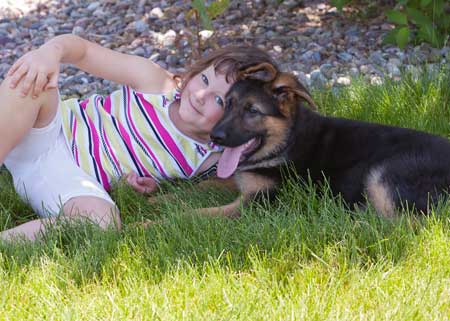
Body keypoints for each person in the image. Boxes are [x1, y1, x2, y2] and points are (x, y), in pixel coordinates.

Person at [0, 34, 277, 241]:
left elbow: (258, 167)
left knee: (102, 222)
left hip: (65, 180)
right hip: (46, 127)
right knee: (34, 85)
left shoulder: (210, 158)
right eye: (204, 80)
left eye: (220, 99)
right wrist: (50, 52)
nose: (201, 96)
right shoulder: (156, 83)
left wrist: (143, 186)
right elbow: (83, 52)